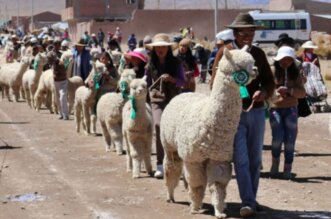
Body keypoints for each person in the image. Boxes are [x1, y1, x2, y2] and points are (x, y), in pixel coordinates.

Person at [210, 13, 275, 217]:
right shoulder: (225, 53)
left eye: (251, 32)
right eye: (244, 32)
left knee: (255, 159)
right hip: (233, 115)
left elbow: (269, 81)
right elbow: (215, 81)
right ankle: (248, 200)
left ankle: (250, 201)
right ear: (236, 33)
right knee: (241, 159)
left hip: (255, 111)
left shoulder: (258, 54)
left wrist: (263, 92)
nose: (248, 36)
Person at [145, 33, 185, 178]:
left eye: (163, 47)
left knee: (176, 130)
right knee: (159, 125)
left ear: (168, 48)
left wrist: (172, 79)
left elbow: (182, 81)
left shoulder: (176, 63)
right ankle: (160, 164)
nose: (160, 49)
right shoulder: (149, 65)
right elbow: (147, 84)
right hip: (157, 100)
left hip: (174, 100)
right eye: (157, 47)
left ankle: (177, 163)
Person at [269, 46, 306, 179]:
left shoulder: (296, 73)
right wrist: (276, 92)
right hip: (275, 108)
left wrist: (290, 91)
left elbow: (302, 93)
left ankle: (287, 168)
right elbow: (266, 91)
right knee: (277, 138)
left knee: (290, 139)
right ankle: (274, 165)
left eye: (289, 60)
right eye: (283, 59)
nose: (286, 62)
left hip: (291, 109)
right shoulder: (272, 71)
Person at [47, 50, 70, 120]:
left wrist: (55, 75)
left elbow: (63, 75)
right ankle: (61, 114)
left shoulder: (61, 64)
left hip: (62, 83)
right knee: (57, 98)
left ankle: (66, 114)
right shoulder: (53, 64)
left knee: (62, 98)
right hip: (56, 83)